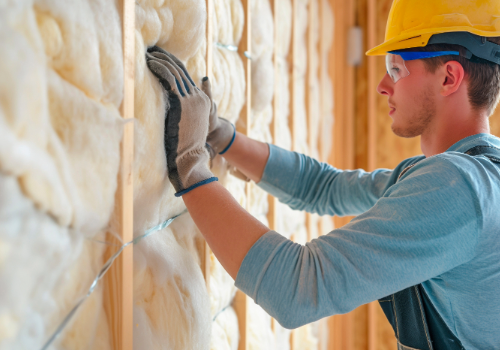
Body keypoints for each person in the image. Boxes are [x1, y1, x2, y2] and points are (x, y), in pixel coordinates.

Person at [145, 0, 500, 348]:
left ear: (450, 76)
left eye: (396, 68)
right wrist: (225, 138)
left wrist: (190, 167)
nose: (382, 86)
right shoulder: (472, 178)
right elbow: (324, 187)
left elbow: (297, 289)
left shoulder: (458, 188)